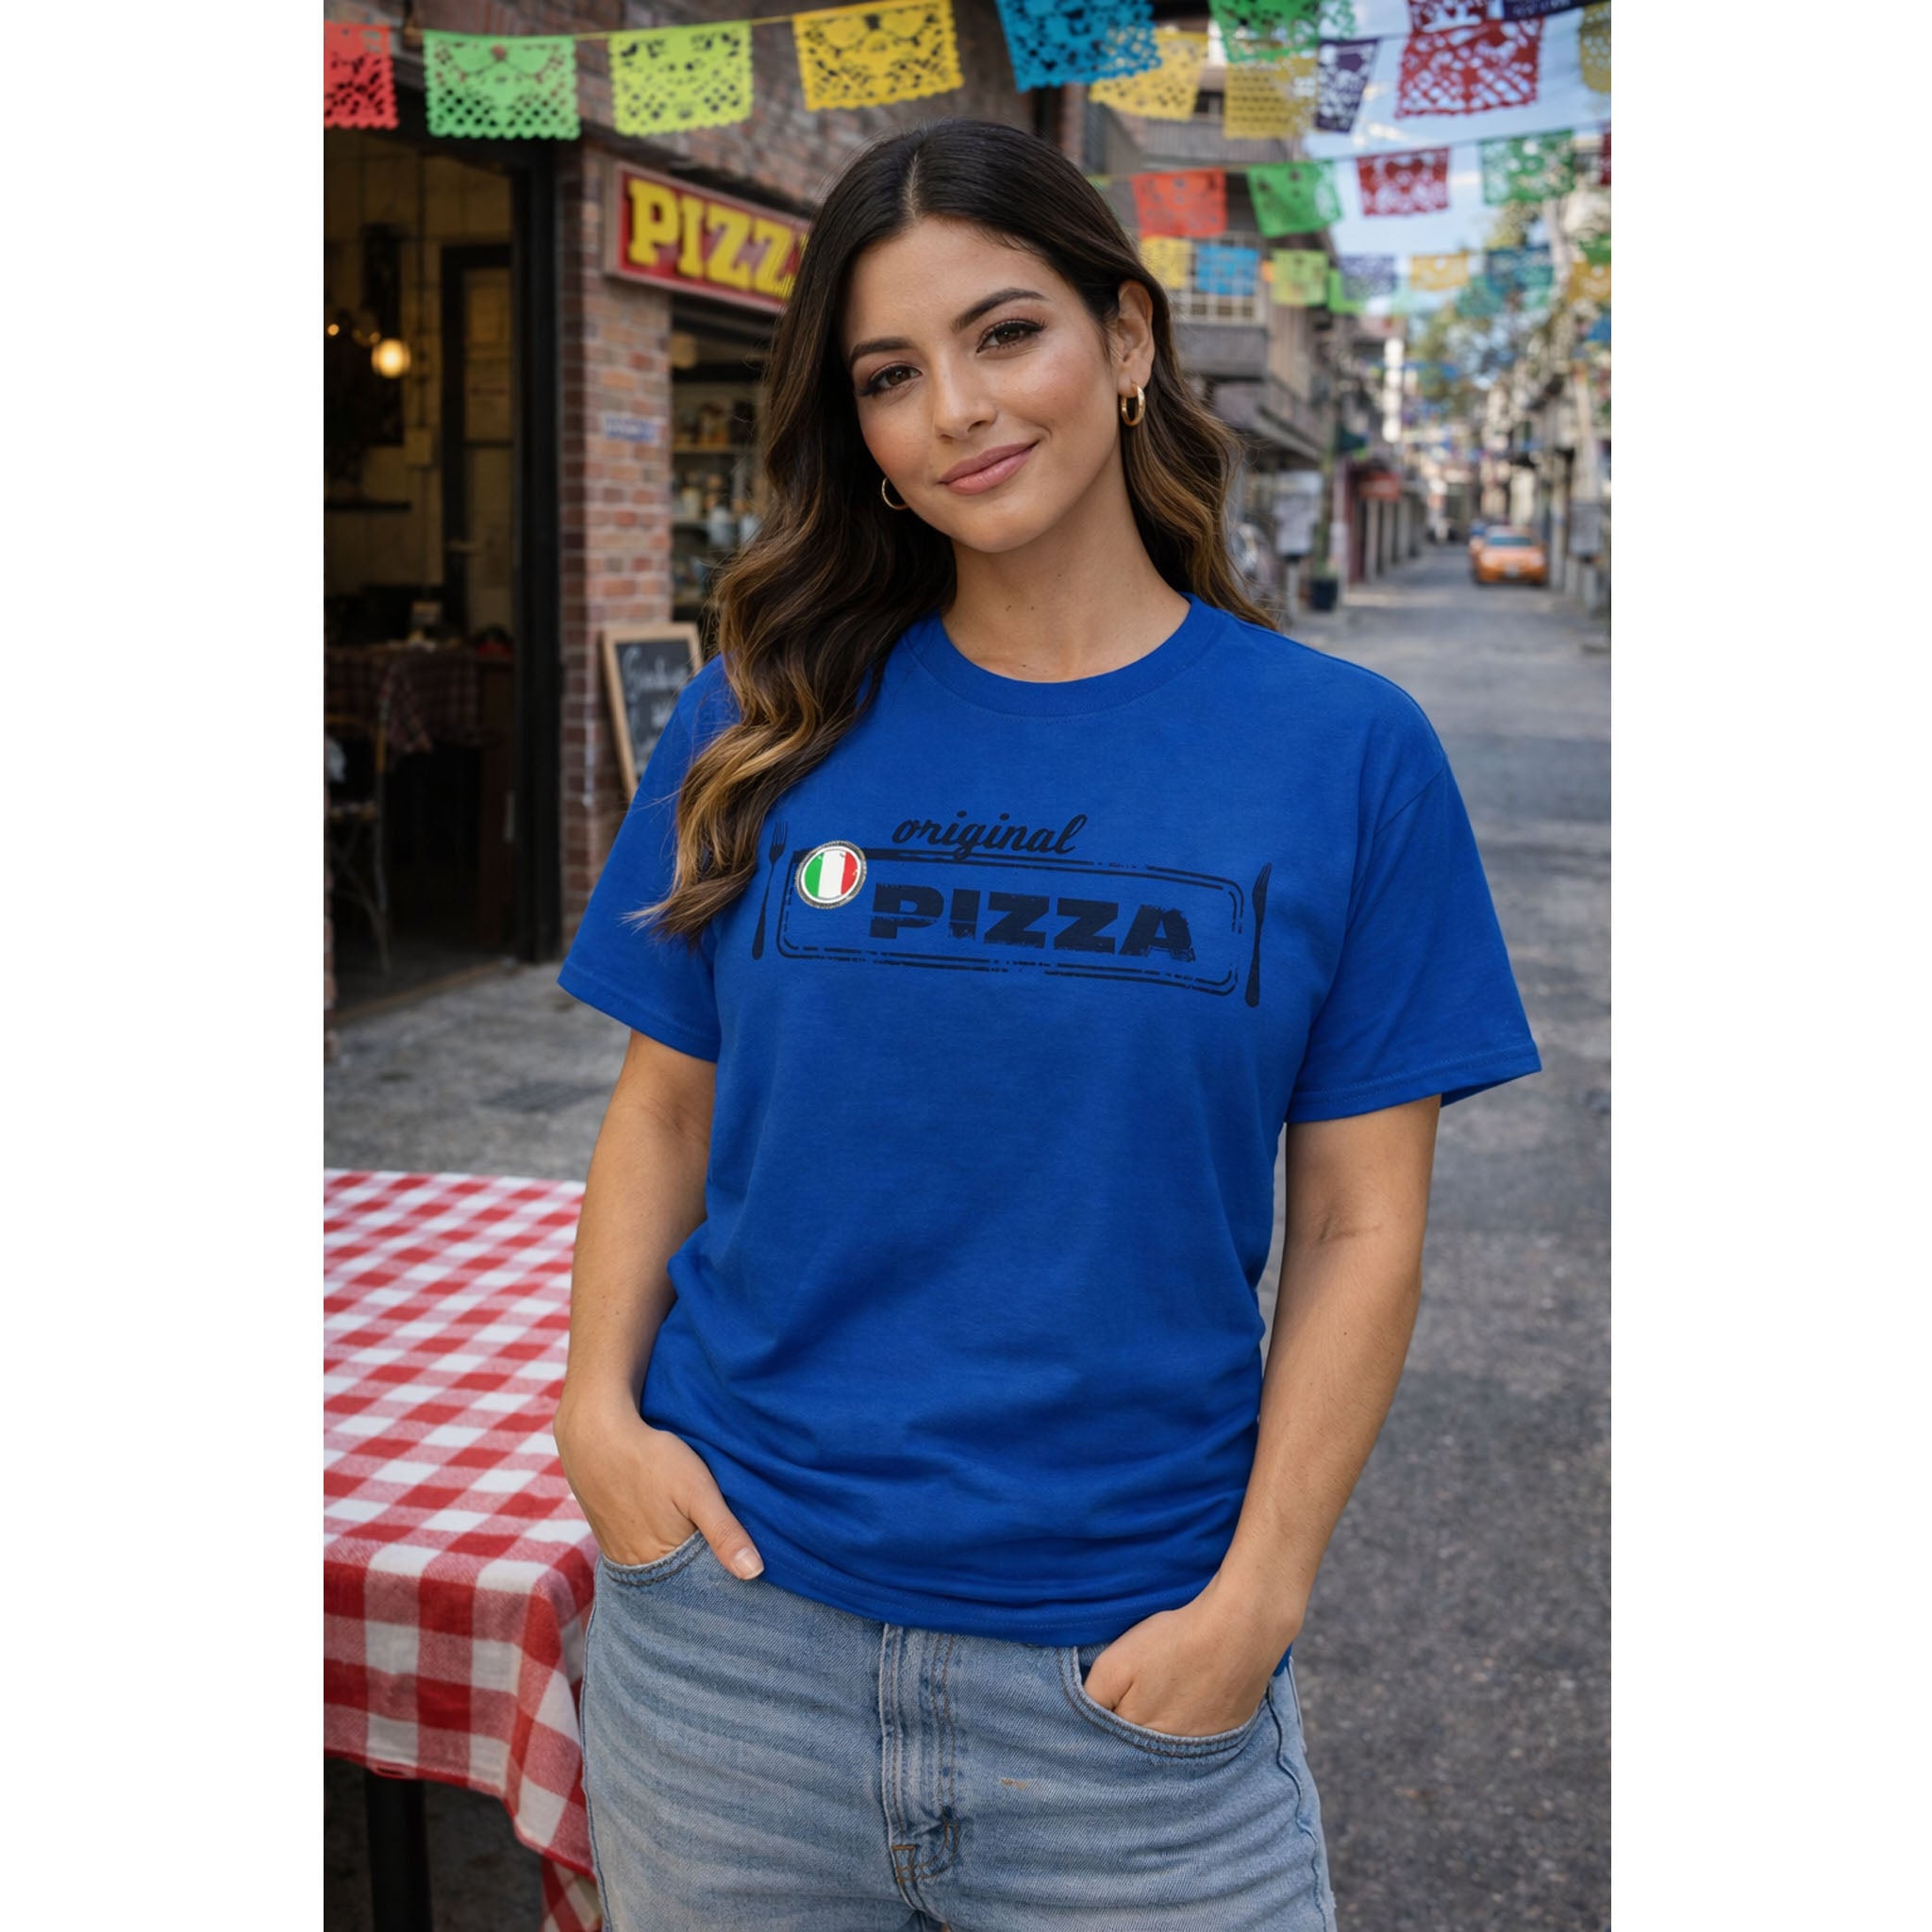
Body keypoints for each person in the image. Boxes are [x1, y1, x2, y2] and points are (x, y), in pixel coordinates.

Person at [552, 118, 1541, 1932]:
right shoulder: (759, 718)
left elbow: (1357, 1223)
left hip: (1131, 1683)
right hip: (732, 1659)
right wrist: (596, 1427)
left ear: (1130, 339)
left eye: (1006, 334)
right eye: (891, 373)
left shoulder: (1342, 753)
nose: (955, 410)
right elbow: (666, 1113)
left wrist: (1261, 1600)